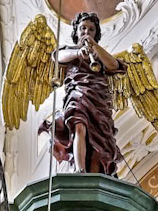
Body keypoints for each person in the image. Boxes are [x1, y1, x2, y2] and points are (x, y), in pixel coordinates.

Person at [50, 12, 123, 174]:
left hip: (98, 97)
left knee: (100, 138)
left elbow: (112, 65)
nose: (86, 32)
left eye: (91, 29)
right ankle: (79, 169)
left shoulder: (99, 54)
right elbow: (58, 57)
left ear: (96, 33)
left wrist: (94, 47)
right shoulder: (69, 50)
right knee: (79, 126)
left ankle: (96, 172)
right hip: (77, 93)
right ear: (76, 31)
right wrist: (78, 52)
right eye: (83, 28)